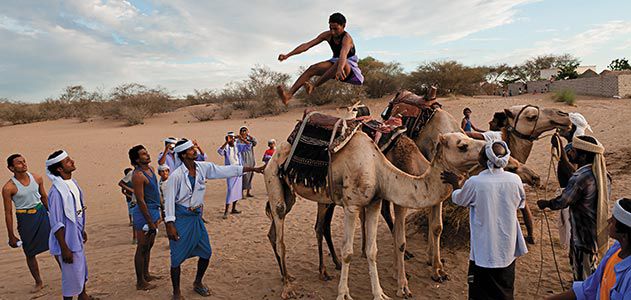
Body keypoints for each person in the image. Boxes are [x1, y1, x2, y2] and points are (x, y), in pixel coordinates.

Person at [163, 138, 264, 299]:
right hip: (181, 218)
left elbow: (225, 170)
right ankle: (176, 292)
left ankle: (197, 282)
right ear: (182, 155)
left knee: (206, 252)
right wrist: (170, 224)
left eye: (193, 148)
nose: (194, 151)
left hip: (196, 217)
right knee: (176, 258)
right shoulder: (176, 176)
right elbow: (168, 201)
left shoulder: (203, 167)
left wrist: (254, 169)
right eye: (190, 149)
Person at [441, 141, 528, 300]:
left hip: (483, 251)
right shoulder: (515, 180)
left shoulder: (475, 183)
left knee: (480, 294)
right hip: (507, 249)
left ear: (483, 160)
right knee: (505, 293)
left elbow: (459, 199)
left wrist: (455, 183)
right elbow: (521, 203)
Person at [538, 135, 611, 281]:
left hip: (583, 236)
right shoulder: (602, 174)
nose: (570, 153)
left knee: (584, 277)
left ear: (583, 156)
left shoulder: (580, 177)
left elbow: (563, 202)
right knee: (592, 271)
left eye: (573, 151)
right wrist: (562, 154)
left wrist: (546, 204)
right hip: (595, 231)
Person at [466, 112, 536, 244]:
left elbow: (471, 135)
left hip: (498, 173)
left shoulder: (493, 135)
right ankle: (531, 234)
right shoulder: (505, 136)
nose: (490, 123)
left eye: (493, 121)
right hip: (509, 172)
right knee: (523, 205)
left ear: (499, 124)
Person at [546, 198, 631, 300]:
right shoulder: (615, 251)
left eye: (613, 220)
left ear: (624, 236)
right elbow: (589, 288)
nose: (608, 221)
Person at [276, 12, 364, 105]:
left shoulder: (347, 38)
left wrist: (340, 68)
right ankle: (288, 96)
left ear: (343, 26)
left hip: (350, 70)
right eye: (330, 28)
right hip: (335, 64)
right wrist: (288, 55)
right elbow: (307, 45)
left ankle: (313, 86)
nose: (333, 32)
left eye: (336, 29)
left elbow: (343, 54)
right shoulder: (327, 35)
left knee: (339, 62)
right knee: (312, 68)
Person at [46, 150, 93, 299]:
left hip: (76, 235)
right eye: (67, 161)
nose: (72, 162)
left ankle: (83, 296)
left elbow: (77, 210)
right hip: (66, 240)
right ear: (59, 169)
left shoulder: (73, 184)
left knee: (79, 271)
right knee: (70, 278)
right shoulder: (56, 192)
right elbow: (57, 222)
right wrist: (64, 248)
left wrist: (82, 229)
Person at [2, 154, 51, 293]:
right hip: (25, 219)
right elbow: (8, 212)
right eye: (19, 163)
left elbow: (44, 197)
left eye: (24, 161)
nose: (23, 164)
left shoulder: (37, 178)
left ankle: (66, 274)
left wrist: (53, 216)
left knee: (56, 245)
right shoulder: (8, 188)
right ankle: (38, 281)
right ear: (11, 168)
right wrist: (11, 235)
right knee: (29, 252)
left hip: (41, 214)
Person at [128, 145, 162, 291]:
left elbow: (155, 191)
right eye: (143, 154)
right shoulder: (138, 175)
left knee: (149, 246)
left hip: (153, 211)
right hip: (144, 214)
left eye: (146, 152)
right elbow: (141, 200)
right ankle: (140, 282)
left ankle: (146, 274)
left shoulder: (151, 170)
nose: (147, 155)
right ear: (136, 159)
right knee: (141, 247)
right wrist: (149, 221)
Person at [218, 131, 252, 219]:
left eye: (233, 139)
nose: (232, 140)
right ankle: (226, 211)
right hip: (230, 170)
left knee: (237, 190)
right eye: (230, 139)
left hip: (238, 169)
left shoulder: (237, 146)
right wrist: (226, 142)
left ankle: (233, 208)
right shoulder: (226, 148)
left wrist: (241, 139)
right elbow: (220, 151)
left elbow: (249, 146)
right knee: (230, 190)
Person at [238, 126, 257, 198]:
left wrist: (249, 136)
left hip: (251, 159)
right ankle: (241, 193)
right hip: (243, 160)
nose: (244, 133)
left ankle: (248, 192)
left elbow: (255, 143)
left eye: (245, 131)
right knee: (244, 176)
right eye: (242, 131)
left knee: (250, 175)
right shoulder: (238, 141)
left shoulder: (250, 139)